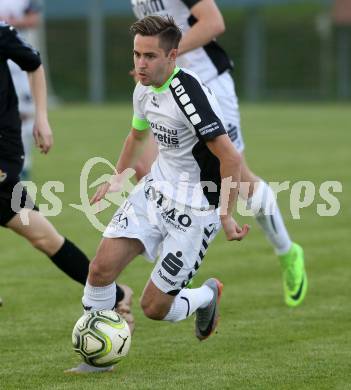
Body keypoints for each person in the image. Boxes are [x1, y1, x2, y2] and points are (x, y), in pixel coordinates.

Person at [68, 15, 249, 373]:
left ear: (173, 56)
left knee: (155, 308)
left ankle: (205, 296)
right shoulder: (143, 87)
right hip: (155, 192)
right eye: (137, 55)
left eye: (149, 57)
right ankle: (98, 361)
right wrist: (118, 176)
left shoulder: (189, 95)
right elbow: (136, 135)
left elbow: (230, 156)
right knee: (100, 269)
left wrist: (225, 215)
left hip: (197, 210)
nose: (140, 64)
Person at [130, 0, 307, 308]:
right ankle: (177, 276)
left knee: (238, 178)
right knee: (144, 167)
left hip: (207, 86)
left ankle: (287, 251)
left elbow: (213, 22)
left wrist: (166, 54)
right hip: (165, 91)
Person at [0, 21, 134, 330]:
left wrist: (41, 118)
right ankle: (116, 294)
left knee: (43, 237)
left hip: (3, 151)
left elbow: (33, 64)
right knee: (44, 238)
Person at [0, 0, 41, 180]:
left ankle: (24, 165)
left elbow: (34, 19)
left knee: (25, 114)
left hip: (18, 59)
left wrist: (10, 23)